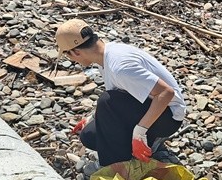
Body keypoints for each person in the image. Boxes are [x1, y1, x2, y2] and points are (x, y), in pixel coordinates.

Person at [57, 19, 185, 167]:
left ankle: (118, 167)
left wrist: (140, 133)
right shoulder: (104, 55)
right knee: (89, 136)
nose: (71, 60)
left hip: (168, 116)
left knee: (106, 101)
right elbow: (120, 93)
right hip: (147, 106)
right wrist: (92, 117)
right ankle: (140, 146)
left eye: (68, 55)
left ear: (76, 52)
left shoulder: (120, 67)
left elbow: (166, 93)